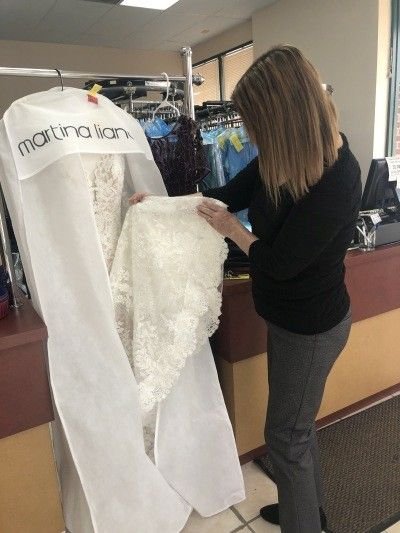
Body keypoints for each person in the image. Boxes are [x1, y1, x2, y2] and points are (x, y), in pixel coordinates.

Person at [130, 44, 362, 533]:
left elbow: (280, 264)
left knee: (286, 437)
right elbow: (225, 195)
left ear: (283, 115)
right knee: (297, 431)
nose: (249, 131)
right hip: (287, 319)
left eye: (254, 119)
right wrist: (160, 205)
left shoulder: (338, 176)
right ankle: (310, 513)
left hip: (313, 328)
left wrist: (234, 231)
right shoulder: (279, 159)